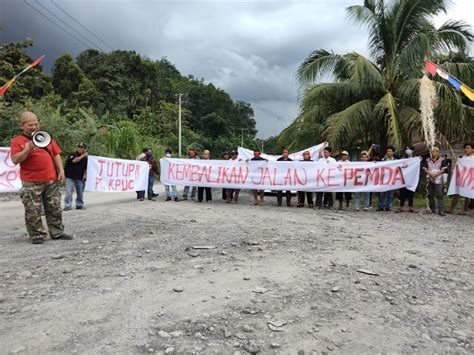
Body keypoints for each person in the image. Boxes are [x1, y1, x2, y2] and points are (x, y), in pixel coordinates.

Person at [10, 111, 73, 244]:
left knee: (54, 207)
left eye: (36, 124)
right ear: (22, 126)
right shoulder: (18, 141)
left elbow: (56, 155)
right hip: (31, 182)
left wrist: (61, 171)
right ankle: (37, 235)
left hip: (50, 180)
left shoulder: (45, 137)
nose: (34, 127)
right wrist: (27, 149)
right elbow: (15, 160)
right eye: (30, 125)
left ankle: (57, 232)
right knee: (33, 210)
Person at [446, 143, 473, 215]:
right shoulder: (463, 158)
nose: (466, 149)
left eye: (468, 148)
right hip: (461, 177)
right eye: (465, 148)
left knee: (467, 193)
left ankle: (465, 209)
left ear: (473, 149)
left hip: (469, 179)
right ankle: (451, 208)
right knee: (456, 192)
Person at [422, 146, 448, 216]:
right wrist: (430, 175)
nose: (433, 153)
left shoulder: (442, 160)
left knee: (439, 194)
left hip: (438, 178)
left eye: (434, 151)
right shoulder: (427, 160)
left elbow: (443, 169)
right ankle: (432, 209)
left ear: (438, 152)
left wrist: (435, 175)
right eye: (432, 151)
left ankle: (441, 210)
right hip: (429, 178)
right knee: (430, 194)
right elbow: (425, 169)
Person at [63, 142, 88, 211]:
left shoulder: (86, 158)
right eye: (79, 147)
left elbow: (86, 167)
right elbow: (74, 160)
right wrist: (83, 156)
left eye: (81, 147)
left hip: (80, 177)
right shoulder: (73, 154)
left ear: (84, 149)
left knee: (80, 192)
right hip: (70, 176)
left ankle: (79, 205)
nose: (80, 148)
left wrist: (85, 175)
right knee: (68, 192)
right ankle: (67, 205)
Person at [397, 146, 416, 213]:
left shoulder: (416, 158)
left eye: (409, 149)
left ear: (413, 150)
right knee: (402, 192)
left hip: (412, 178)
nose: (408, 150)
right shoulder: (402, 158)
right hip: (403, 178)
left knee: (411, 193)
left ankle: (411, 207)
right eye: (406, 149)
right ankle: (401, 207)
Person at [377, 146, 396, 211]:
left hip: (392, 179)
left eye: (390, 151)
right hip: (383, 179)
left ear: (393, 152)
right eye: (387, 151)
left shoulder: (396, 161)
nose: (388, 153)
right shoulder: (383, 160)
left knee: (390, 194)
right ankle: (381, 206)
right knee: (382, 193)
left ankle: (388, 206)